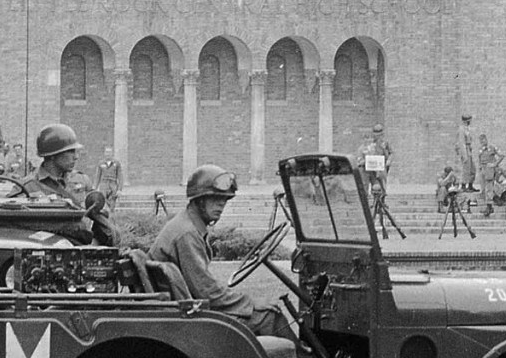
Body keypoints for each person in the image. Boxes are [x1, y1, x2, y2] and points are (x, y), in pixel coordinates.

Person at [146, 166, 298, 339]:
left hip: (186, 310)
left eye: (224, 201)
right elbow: (207, 292)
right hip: (190, 318)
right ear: (199, 200)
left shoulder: (187, 224)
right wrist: (251, 303)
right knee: (269, 317)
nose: (221, 205)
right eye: (215, 199)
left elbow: (205, 288)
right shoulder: (187, 233)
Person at [20, 123, 118, 244]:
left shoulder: (82, 180)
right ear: (52, 155)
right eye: (70, 151)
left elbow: (103, 216)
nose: (76, 157)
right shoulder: (27, 187)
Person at [360, 126, 404, 238]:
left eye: (379, 133)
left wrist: (389, 161)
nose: (377, 135)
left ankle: (381, 201)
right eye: (376, 133)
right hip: (370, 167)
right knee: (368, 184)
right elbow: (362, 155)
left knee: (381, 185)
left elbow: (392, 153)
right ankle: (368, 202)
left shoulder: (385, 143)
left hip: (381, 166)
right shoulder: (369, 144)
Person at [434, 165, 476, 239]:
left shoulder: (453, 176)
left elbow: (457, 185)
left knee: (462, 194)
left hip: (452, 194)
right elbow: (442, 184)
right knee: (443, 189)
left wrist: (456, 187)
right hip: (443, 194)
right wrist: (448, 177)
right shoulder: (440, 176)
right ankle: (441, 207)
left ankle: (462, 207)